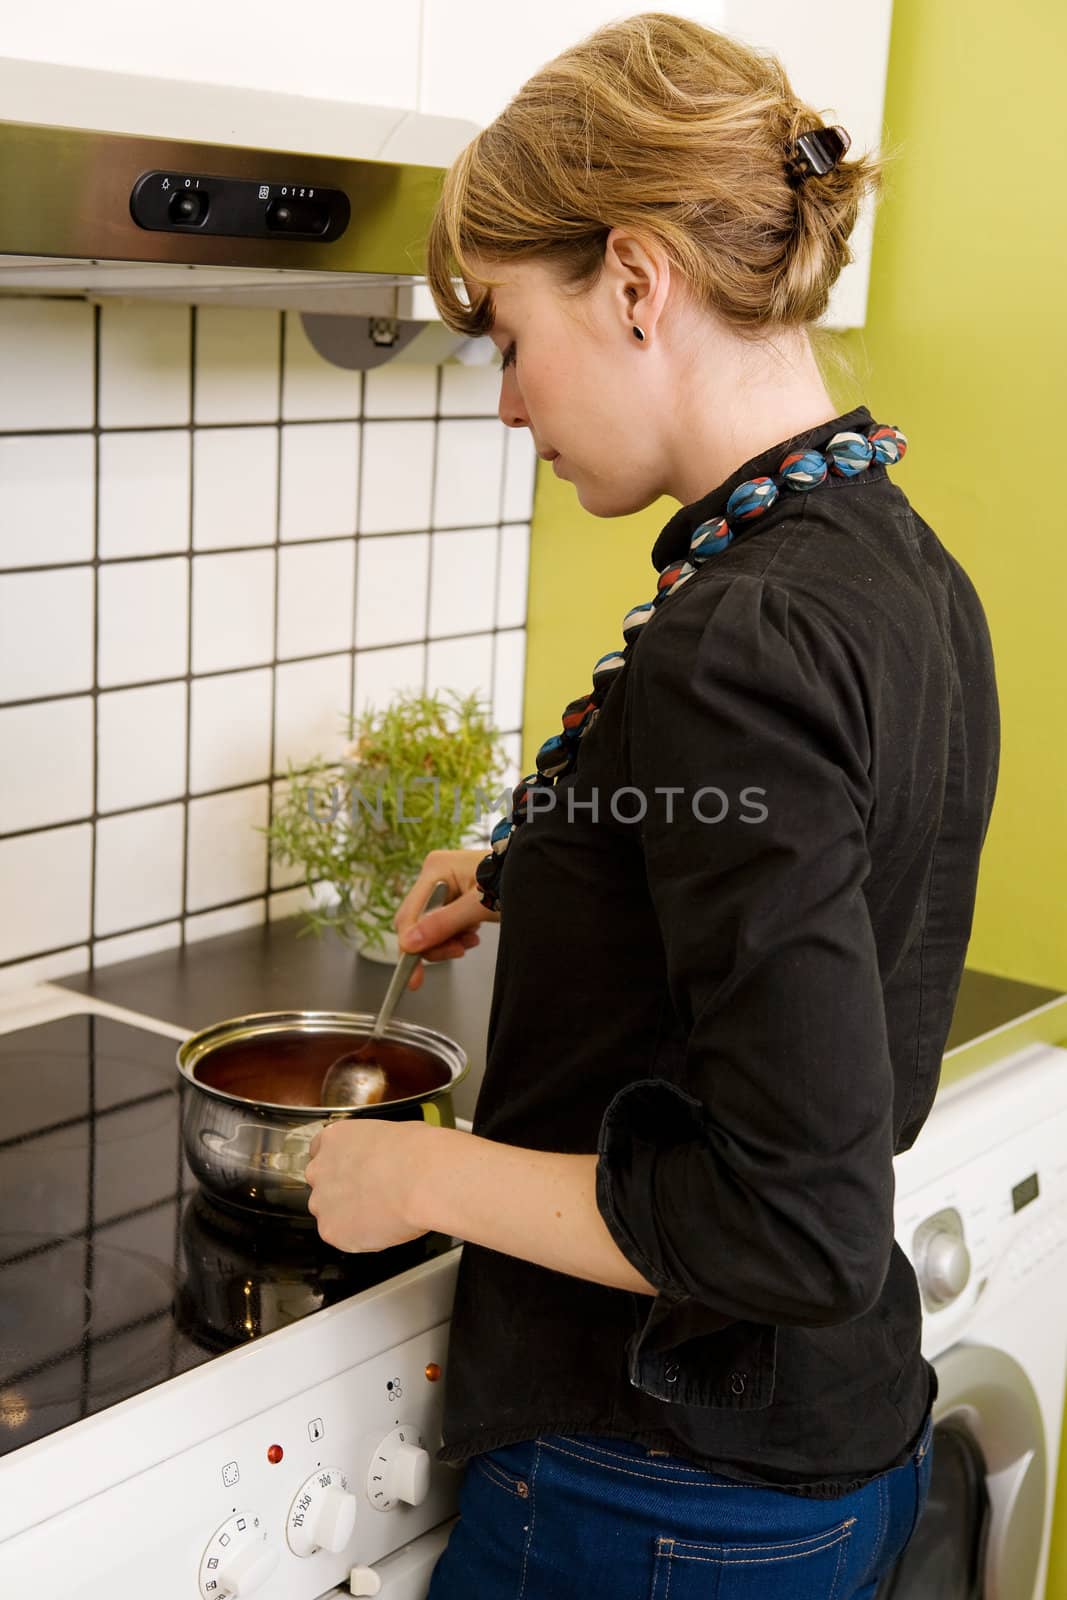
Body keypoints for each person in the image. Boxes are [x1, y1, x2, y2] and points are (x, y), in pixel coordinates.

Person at [303, 14, 1000, 1597]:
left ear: (633, 282)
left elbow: (791, 1222)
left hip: (660, 1490)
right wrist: (536, 864)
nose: (505, 403)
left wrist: (415, 1175)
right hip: (821, 1452)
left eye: (504, 336)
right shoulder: (888, 560)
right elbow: (810, 839)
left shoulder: (737, 637)